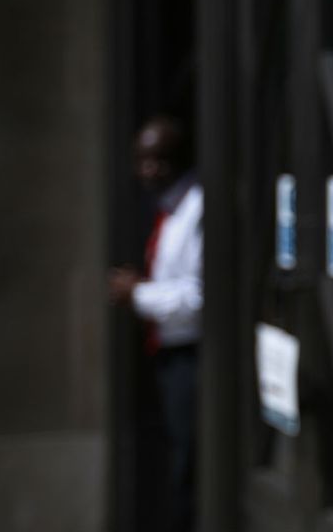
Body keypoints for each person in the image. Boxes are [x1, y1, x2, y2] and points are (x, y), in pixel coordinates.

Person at [108, 115, 202, 532]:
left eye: (160, 159)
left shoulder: (198, 207)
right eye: (142, 160)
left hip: (192, 356)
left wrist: (138, 294)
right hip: (165, 353)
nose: (149, 169)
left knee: (189, 464)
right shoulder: (166, 208)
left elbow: (201, 299)